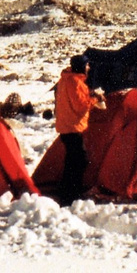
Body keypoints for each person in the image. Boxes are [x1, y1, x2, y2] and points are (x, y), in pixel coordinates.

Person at [53, 55, 104, 206]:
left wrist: (89, 95)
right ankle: (70, 196)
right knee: (79, 161)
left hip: (66, 126)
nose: (88, 68)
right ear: (82, 66)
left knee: (72, 160)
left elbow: (75, 100)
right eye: (87, 65)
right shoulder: (76, 83)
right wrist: (96, 99)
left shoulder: (66, 79)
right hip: (73, 127)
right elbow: (81, 106)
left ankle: (67, 193)